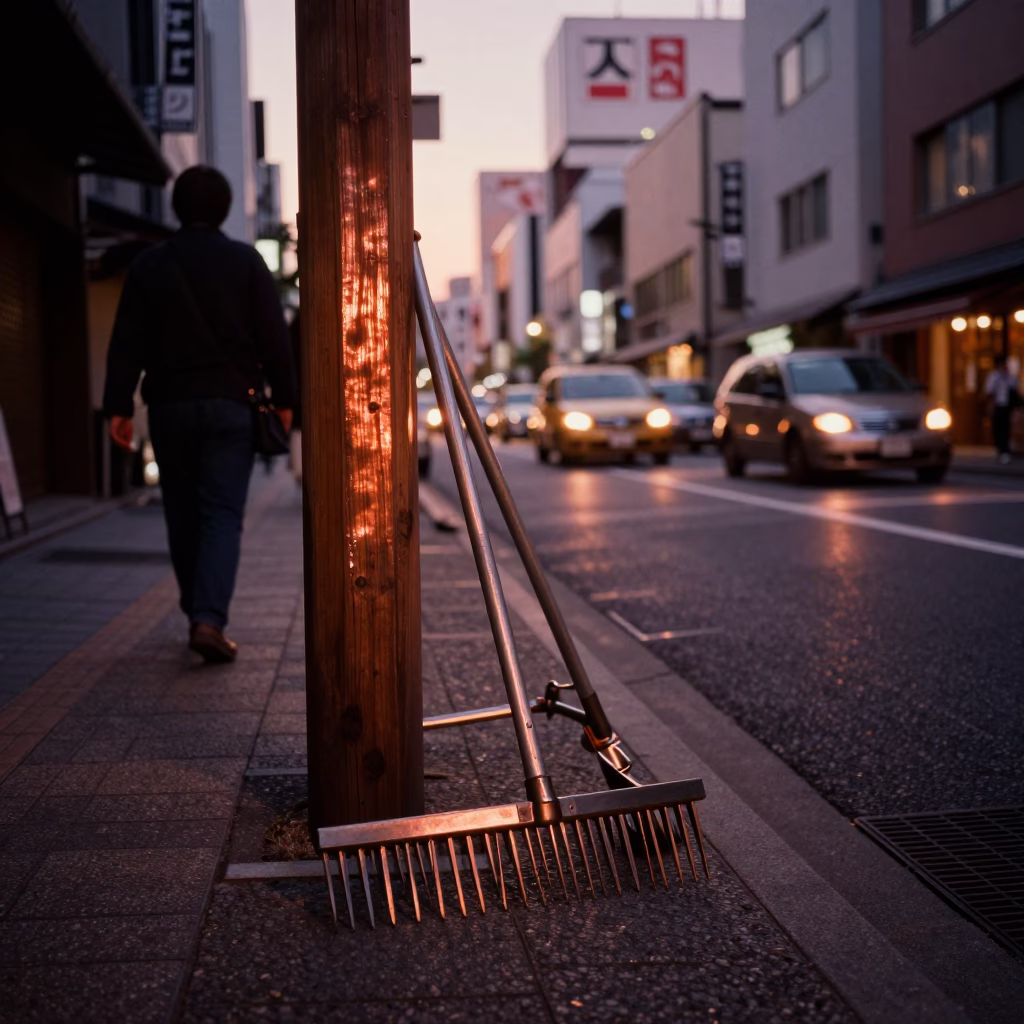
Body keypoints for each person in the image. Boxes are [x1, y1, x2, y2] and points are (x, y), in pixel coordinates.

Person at [103, 166, 295, 663]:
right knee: (222, 514)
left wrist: (118, 407)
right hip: (232, 407)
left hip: (168, 407)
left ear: (177, 207)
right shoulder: (245, 262)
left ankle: (197, 609)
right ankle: (207, 618)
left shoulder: (150, 265)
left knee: (181, 512)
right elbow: (275, 339)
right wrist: (288, 400)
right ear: (226, 209)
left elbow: (127, 342)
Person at [984, 354, 1019, 465]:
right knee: (998, 429)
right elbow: (989, 391)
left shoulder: (1009, 377)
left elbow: (1014, 388)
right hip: (998, 406)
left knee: (1006, 428)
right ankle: (1001, 450)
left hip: (1007, 406)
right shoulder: (994, 377)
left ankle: (1006, 451)